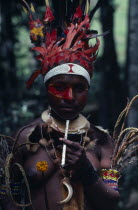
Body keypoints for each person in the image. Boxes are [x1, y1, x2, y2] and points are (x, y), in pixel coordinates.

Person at [0, 0, 120, 209]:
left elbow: (111, 202)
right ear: (46, 89)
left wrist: (85, 168)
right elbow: (8, 198)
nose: (69, 96)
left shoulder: (102, 141)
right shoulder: (23, 138)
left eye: (79, 88)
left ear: (88, 91)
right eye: (59, 87)